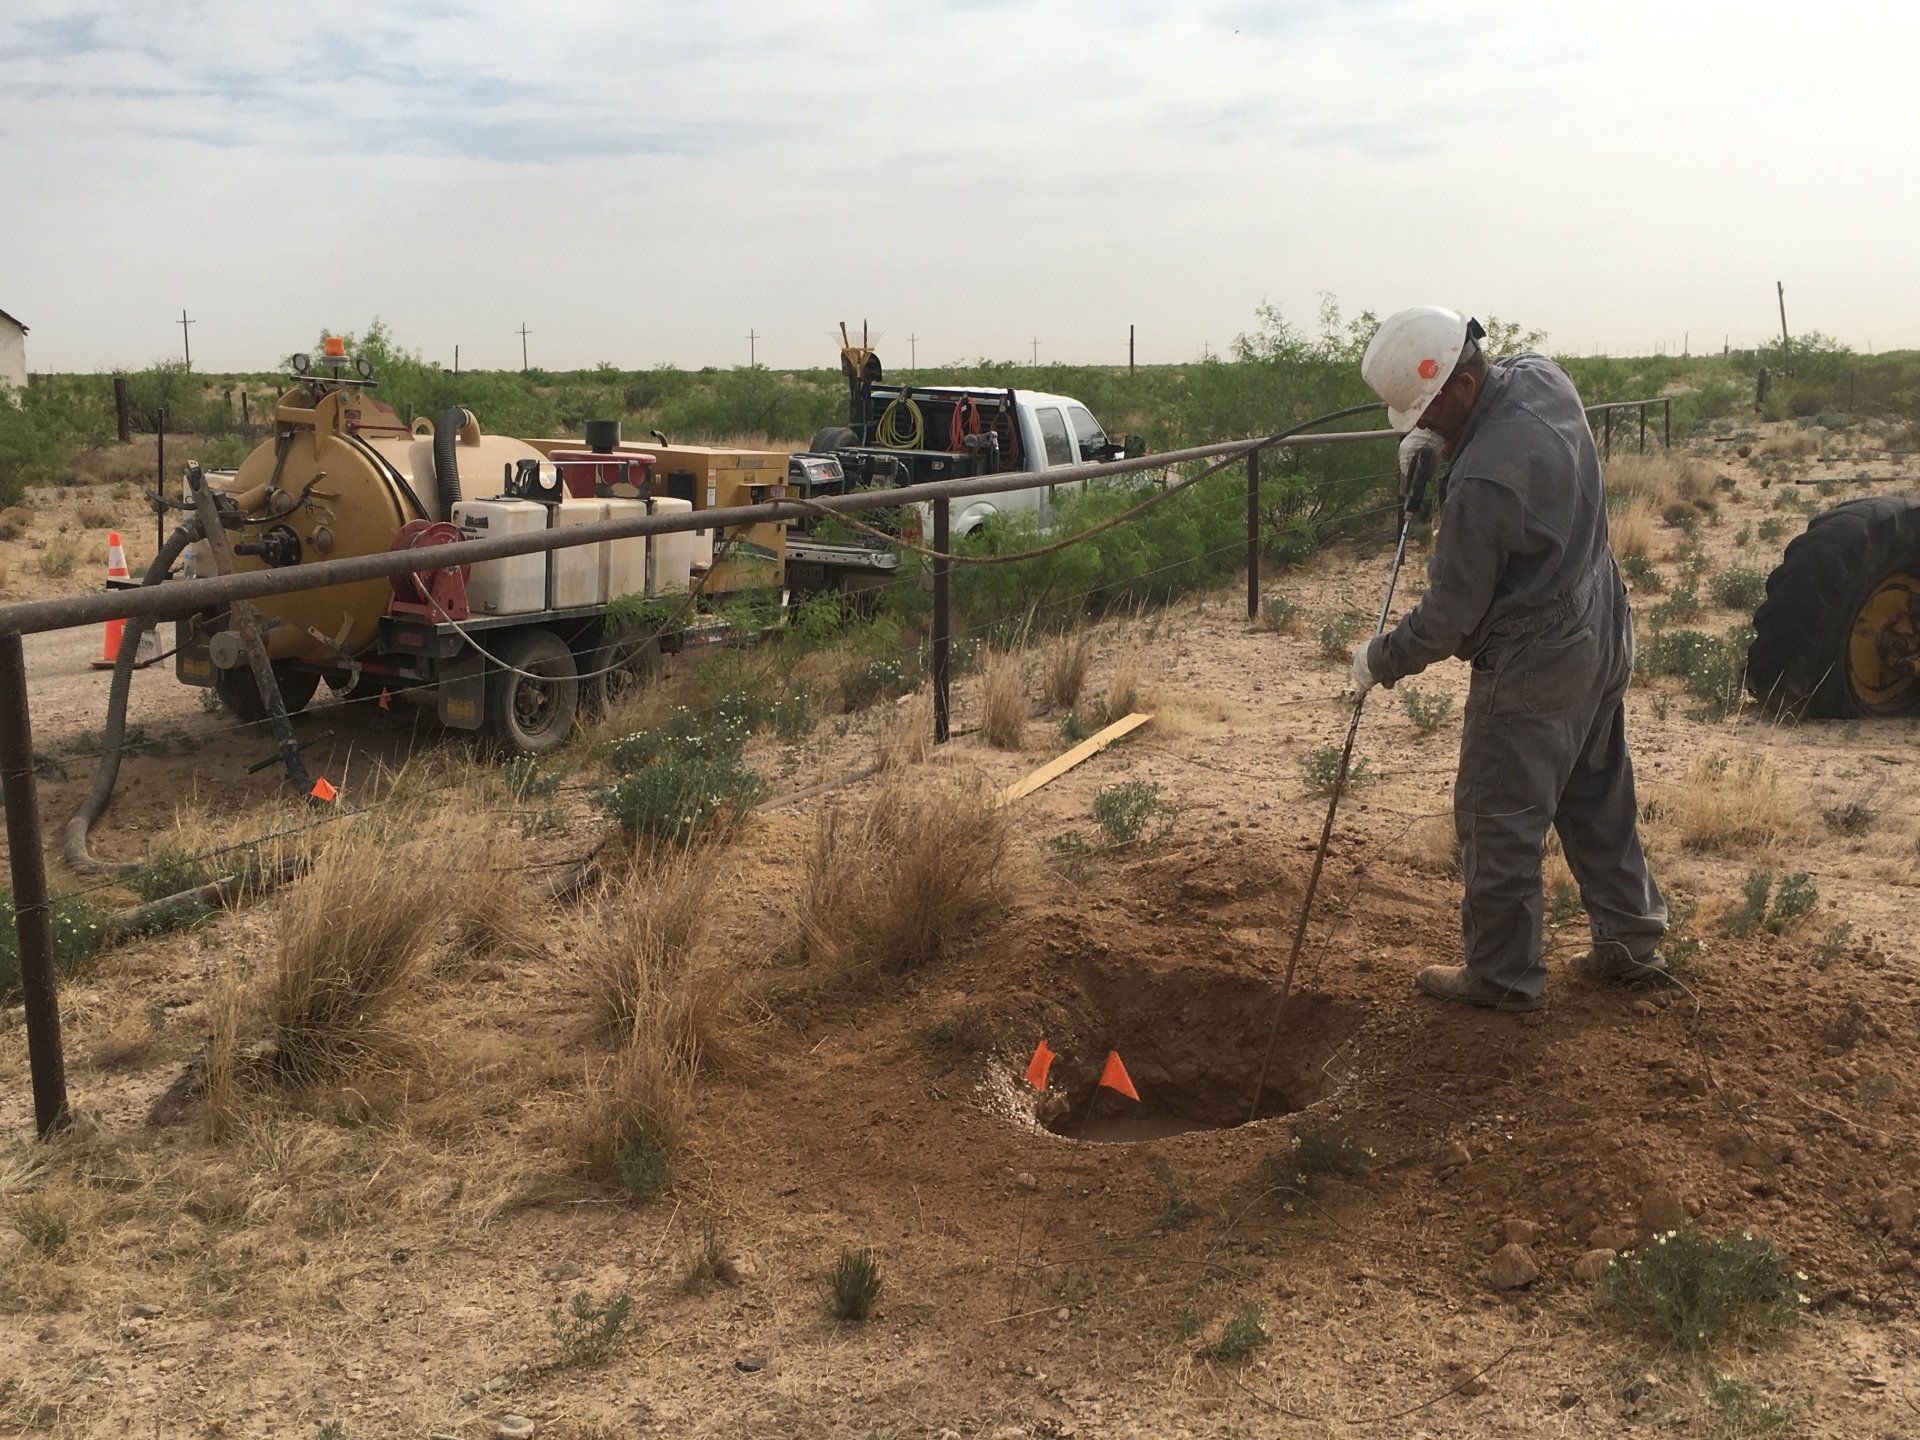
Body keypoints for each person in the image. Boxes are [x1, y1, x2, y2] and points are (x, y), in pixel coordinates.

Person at [1350, 306, 1666, 1012]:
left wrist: (1381, 659)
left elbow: (1447, 621)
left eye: (1428, 413)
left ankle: (1499, 977)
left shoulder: (1484, 484)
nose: (1423, 427)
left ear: (1460, 386)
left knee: (1499, 815)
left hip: (1537, 657)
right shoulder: (1541, 377)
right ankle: (1631, 940)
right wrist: (1442, 453)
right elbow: (1506, 444)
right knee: (1594, 792)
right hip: (1600, 617)